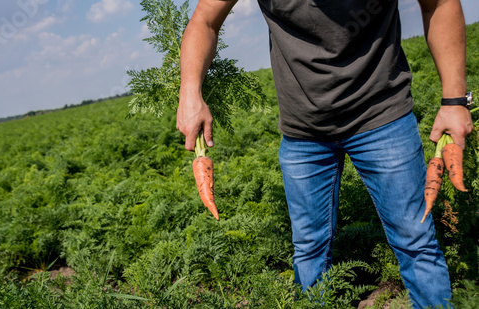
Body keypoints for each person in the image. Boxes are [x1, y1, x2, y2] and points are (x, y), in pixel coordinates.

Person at [175, 0, 474, 308]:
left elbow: (439, 3)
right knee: (309, 251)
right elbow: (204, 21)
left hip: (383, 116)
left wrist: (454, 101)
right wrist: (189, 92)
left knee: (415, 241)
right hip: (303, 132)